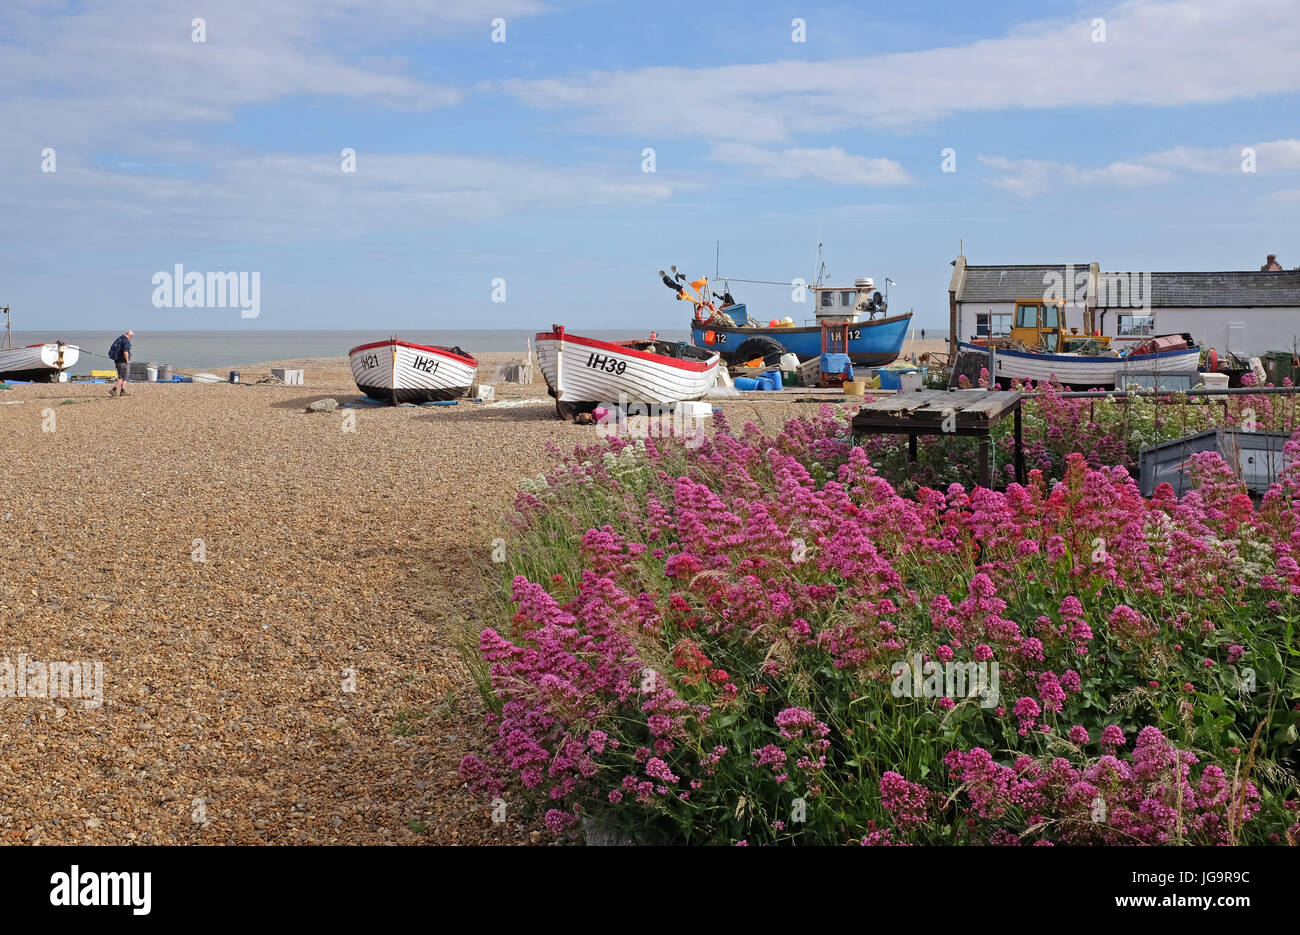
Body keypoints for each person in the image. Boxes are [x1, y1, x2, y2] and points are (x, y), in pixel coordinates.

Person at [109, 329, 133, 397]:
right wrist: (127, 361)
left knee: (124, 377)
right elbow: (125, 352)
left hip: (117, 361)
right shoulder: (126, 341)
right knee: (122, 378)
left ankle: (122, 392)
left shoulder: (120, 339)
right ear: (130, 335)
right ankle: (113, 390)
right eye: (131, 336)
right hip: (123, 362)